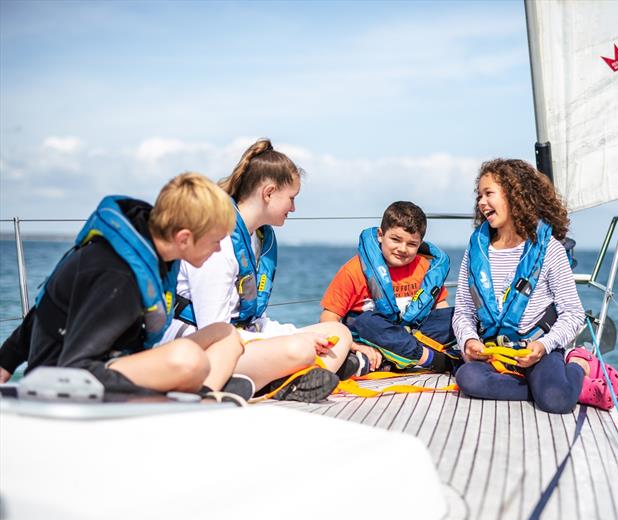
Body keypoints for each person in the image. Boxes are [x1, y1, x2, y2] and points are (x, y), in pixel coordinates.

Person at [0, 172, 245, 397]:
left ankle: (205, 398)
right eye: (215, 241)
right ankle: (192, 394)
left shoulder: (156, 255)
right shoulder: (118, 274)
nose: (218, 249)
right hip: (65, 378)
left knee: (226, 334)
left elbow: (50, 306)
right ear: (184, 238)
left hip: (118, 363)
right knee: (189, 360)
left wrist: (6, 358)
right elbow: (74, 364)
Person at [164, 139, 351, 402]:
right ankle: (278, 379)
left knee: (338, 333)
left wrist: (300, 333)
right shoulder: (218, 242)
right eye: (291, 198)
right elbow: (215, 332)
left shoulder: (257, 239)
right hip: (206, 348)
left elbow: (251, 321)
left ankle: (279, 380)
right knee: (299, 349)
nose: (294, 208)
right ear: (269, 192)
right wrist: (297, 341)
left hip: (243, 338)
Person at [452, 158, 618, 413]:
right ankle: (545, 386)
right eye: (479, 196)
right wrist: (469, 341)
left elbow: (573, 313)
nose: (481, 202)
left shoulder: (549, 249)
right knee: (468, 379)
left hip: (539, 348)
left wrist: (543, 346)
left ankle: (579, 364)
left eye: (489, 194)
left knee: (557, 401)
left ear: (515, 196)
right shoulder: (475, 250)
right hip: (495, 352)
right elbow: (463, 311)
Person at [320, 201, 455, 375]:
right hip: (374, 336)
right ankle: (435, 360)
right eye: (395, 240)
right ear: (380, 235)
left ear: (420, 244)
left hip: (412, 334)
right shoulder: (353, 271)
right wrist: (355, 346)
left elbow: (440, 309)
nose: (402, 249)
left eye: (412, 244)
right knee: (366, 321)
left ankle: (389, 359)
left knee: (459, 316)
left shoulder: (423, 267)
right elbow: (328, 319)